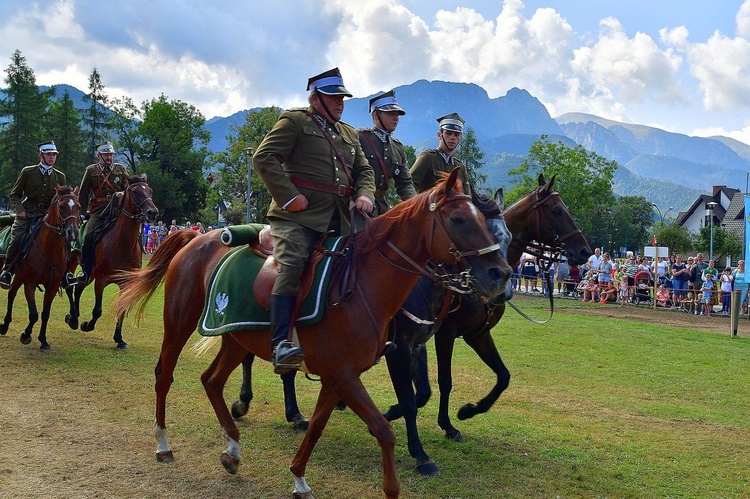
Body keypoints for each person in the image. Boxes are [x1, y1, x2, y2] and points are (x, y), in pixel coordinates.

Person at [253, 67, 375, 374]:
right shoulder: (294, 121)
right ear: (315, 97)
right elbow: (263, 157)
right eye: (333, 97)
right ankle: (281, 344)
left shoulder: (349, 133)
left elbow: (365, 171)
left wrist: (365, 194)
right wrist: (290, 197)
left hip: (342, 220)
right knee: (292, 265)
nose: (340, 103)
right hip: (297, 218)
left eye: (342, 98)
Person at [0, 141, 72, 289]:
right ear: (41, 155)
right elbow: (14, 194)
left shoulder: (60, 176)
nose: (52, 157)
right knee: (17, 238)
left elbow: (63, 198)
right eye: (49, 154)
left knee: (66, 240)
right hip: (28, 213)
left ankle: (65, 274)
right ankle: (7, 271)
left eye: (54, 155)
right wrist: (20, 210)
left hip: (49, 216)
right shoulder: (28, 172)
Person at [77, 141, 130, 284]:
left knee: (132, 234)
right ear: (98, 155)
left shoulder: (121, 169)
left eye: (111, 154)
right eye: (106, 154)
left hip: (118, 211)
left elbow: (128, 189)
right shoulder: (91, 170)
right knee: (88, 237)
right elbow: (83, 193)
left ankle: (133, 268)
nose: (109, 157)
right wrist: (81, 213)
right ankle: (86, 270)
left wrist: (122, 194)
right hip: (99, 212)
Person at [358, 90, 416, 216]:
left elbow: (404, 182)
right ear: (376, 115)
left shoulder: (397, 147)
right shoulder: (360, 138)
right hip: (358, 206)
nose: (396, 118)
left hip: (382, 208)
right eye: (390, 113)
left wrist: (414, 203)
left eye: (397, 114)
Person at [409, 112, 472, 195]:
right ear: (439, 135)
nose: (452, 137)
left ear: (460, 138)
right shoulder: (428, 158)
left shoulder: (460, 167)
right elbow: (409, 185)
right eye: (448, 133)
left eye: (456, 135)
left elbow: (467, 196)